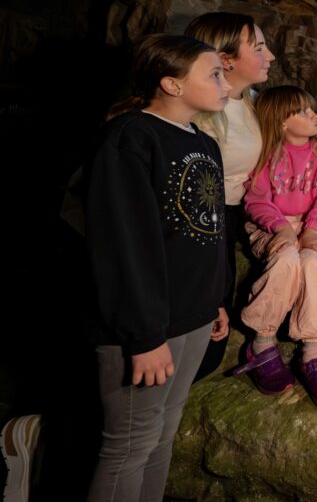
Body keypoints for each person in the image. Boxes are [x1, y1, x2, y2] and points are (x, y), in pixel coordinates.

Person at [84, 34, 231, 501]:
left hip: (193, 317)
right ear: (171, 83)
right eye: (213, 73)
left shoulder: (204, 142)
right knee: (129, 445)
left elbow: (211, 230)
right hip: (146, 328)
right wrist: (145, 336)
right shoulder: (132, 137)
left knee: (162, 436)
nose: (225, 82)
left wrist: (216, 300)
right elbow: (124, 243)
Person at [231, 85, 317, 406]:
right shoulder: (267, 152)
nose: (313, 114)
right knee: (286, 261)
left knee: (311, 263)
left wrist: (312, 231)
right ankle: (262, 344)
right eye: (302, 111)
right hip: (273, 223)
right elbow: (256, 199)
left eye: (311, 108)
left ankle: (313, 353)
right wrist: (281, 228)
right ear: (282, 122)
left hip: (316, 223)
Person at [184, 12, 276, 381]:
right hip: (201, 221)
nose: (270, 56)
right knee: (200, 342)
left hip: (234, 216)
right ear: (226, 60)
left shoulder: (252, 101)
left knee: (206, 349)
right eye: (259, 48)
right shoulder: (198, 117)